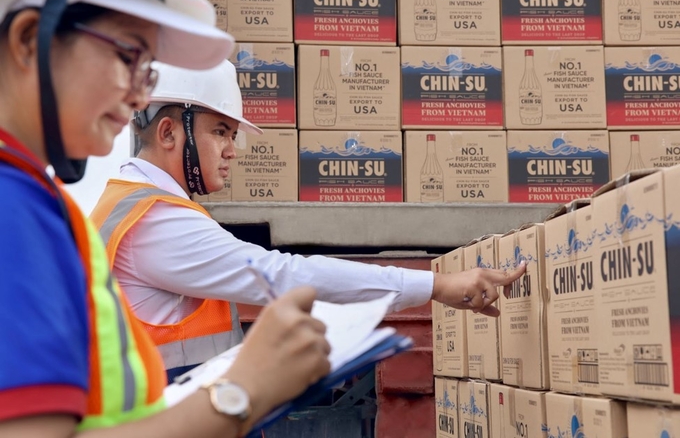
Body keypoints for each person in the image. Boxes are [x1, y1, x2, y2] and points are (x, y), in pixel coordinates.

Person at [0, 0, 331, 437]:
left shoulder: (40, 200)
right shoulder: (13, 208)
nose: (139, 99)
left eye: (148, 73)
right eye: (128, 57)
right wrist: (240, 393)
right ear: (28, 39)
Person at [90, 57, 527, 378]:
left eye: (233, 136)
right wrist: (438, 285)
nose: (230, 151)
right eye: (220, 132)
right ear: (168, 132)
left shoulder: (130, 206)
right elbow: (281, 275)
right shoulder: (154, 222)